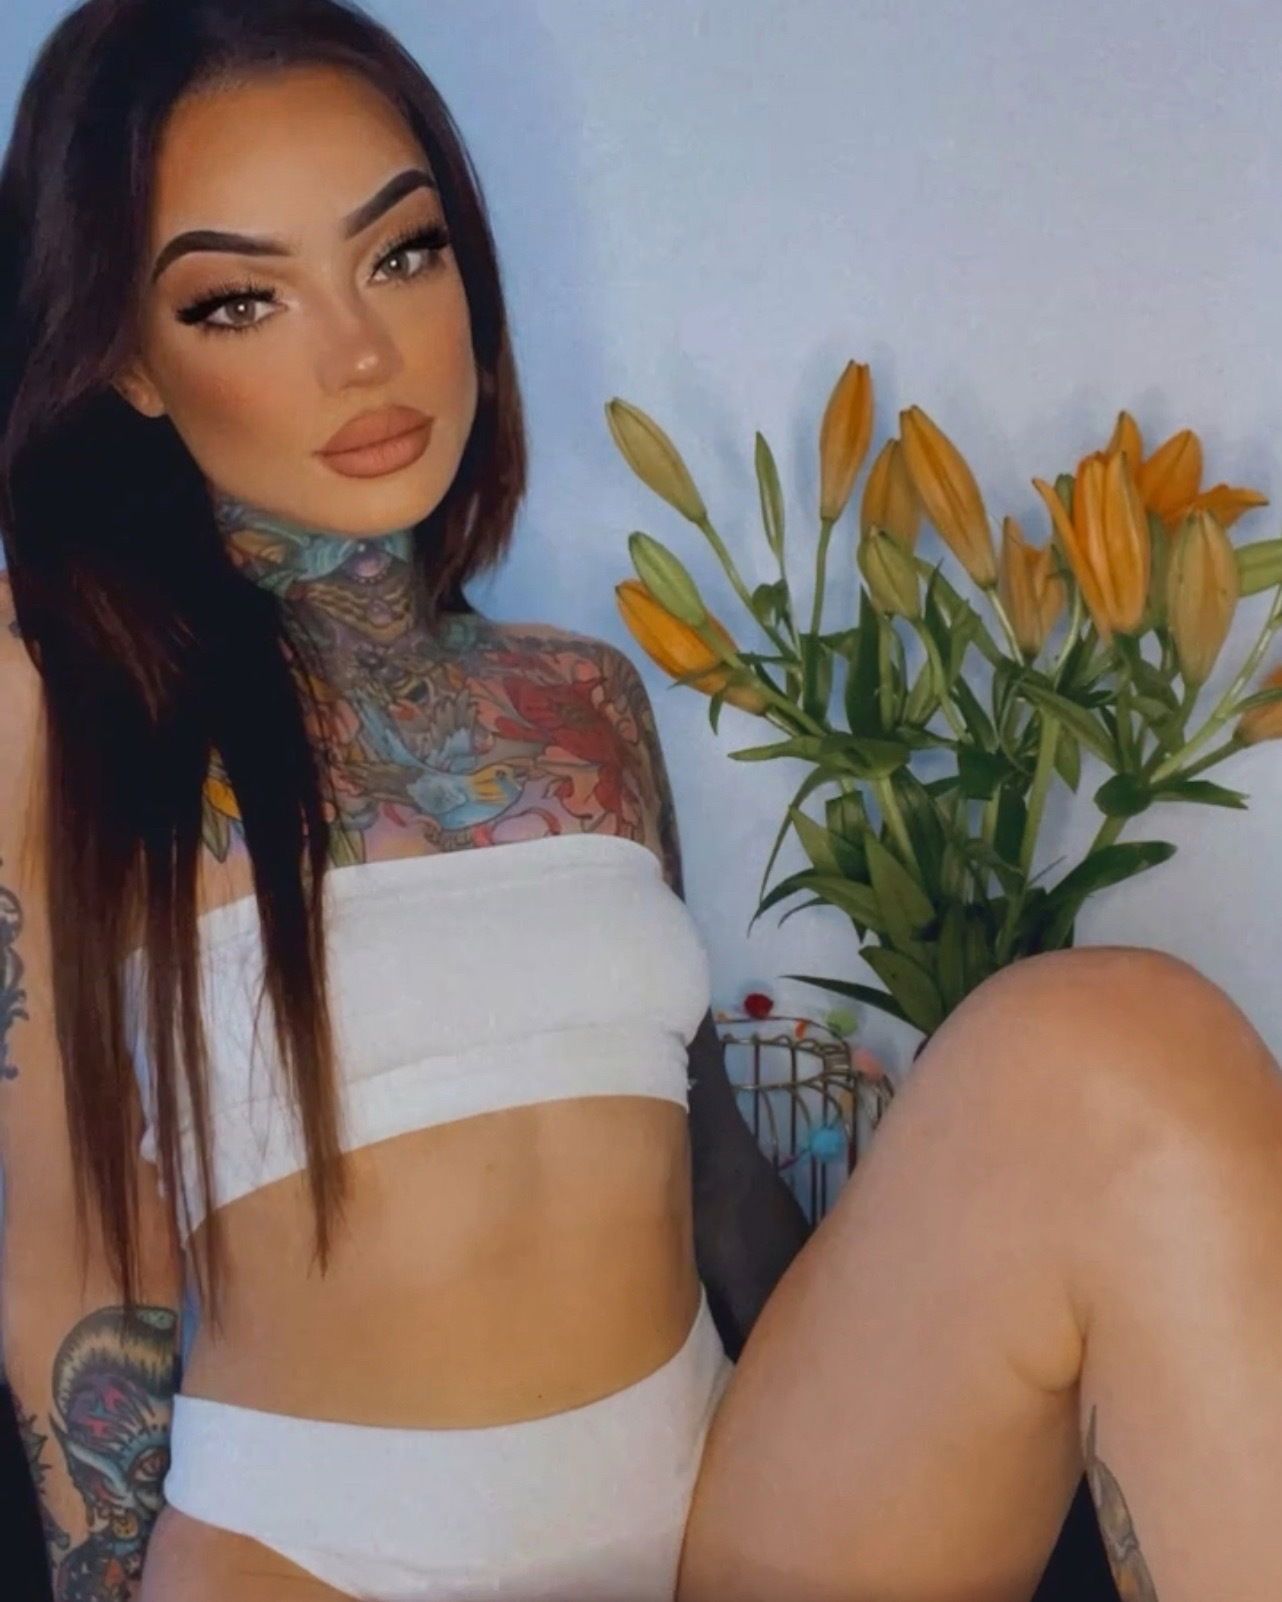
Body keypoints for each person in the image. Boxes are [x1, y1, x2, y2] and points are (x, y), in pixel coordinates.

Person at [2, 3, 1282, 1600]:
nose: (362, 351)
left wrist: (915, 1227)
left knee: (1109, 1039)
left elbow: (695, 1171)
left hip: (708, 1514)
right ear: (126, 354)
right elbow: (59, 1253)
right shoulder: (58, 696)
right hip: (326, 1561)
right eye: (241, 298)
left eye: (401, 254)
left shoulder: (584, 696)